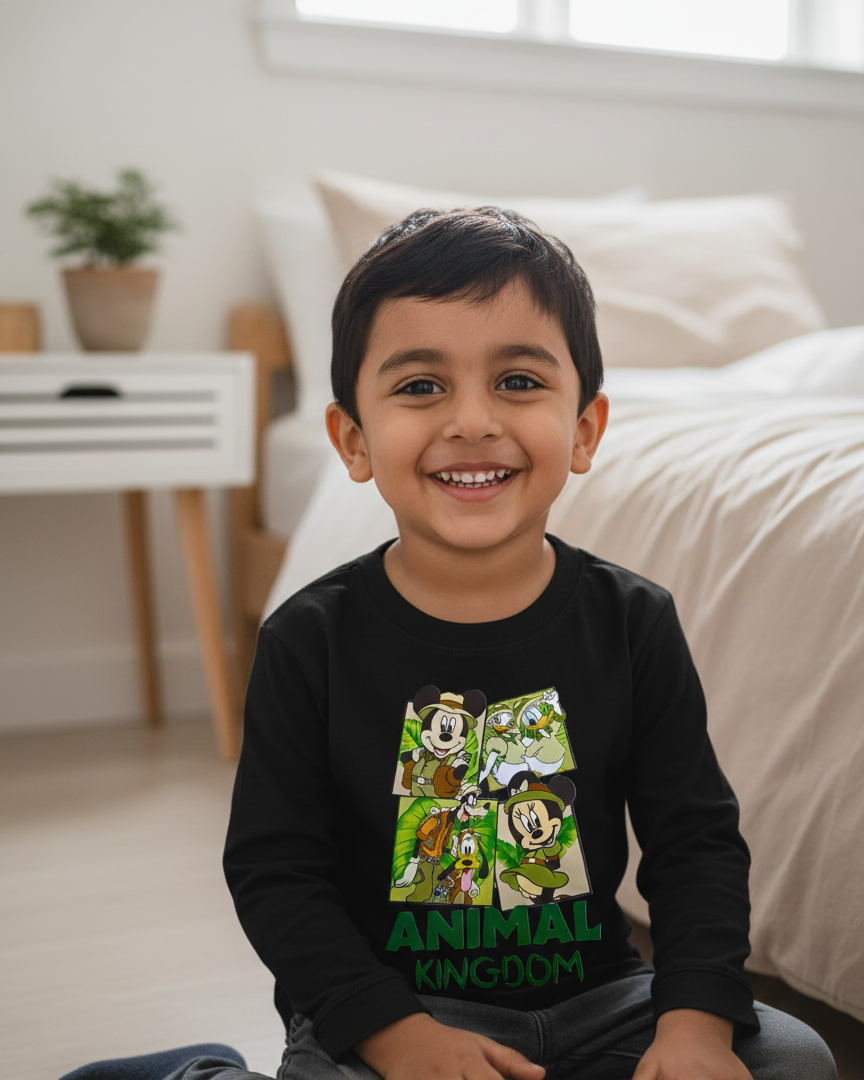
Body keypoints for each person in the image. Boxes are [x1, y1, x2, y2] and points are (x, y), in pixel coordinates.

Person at [64, 208, 836, 1080]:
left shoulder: (633, 620)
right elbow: (276, 872)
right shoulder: (308, 638)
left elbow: (694, 841)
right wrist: (397, 1035)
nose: (472, 420)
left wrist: (693, 1023)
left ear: (584, 429)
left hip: (601, 1003)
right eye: (421, 386)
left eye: (517, 382)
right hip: (393, 1012)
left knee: (797, 1058)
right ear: (353, 440)